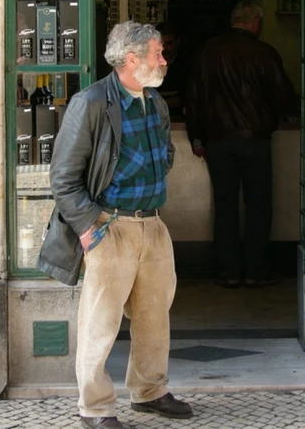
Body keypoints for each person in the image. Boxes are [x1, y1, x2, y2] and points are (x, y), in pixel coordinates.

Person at [38, 21, 192, 429]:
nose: (164, 59)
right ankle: (95, 408)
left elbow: (165, 155)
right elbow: (63, 178)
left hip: (152, 226)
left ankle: (149, 391)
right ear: (131, 59)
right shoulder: (90, 103)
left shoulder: (154, 102)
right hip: (109, 227)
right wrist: (90, 229)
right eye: (158, 52)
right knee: (100, 322)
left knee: (155, 316)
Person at [185, 0, 297, 289]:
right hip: (255, 141)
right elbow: (284, 98)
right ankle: (256, 270)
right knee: (258, 206)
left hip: (218, 141)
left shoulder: (208, 51)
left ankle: (228, 271)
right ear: (256, 22)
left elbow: (193, 98)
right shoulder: (264, 53)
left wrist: (196, 137)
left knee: (225, 206)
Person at [156, 20, 188, 120]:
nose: (165, 49)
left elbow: (184, 99)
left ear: (177, 42)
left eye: (169, 43)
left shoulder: (186, 66)